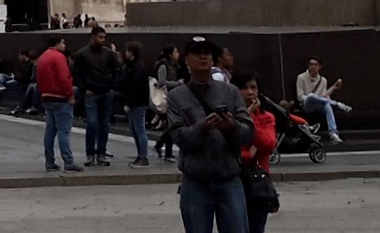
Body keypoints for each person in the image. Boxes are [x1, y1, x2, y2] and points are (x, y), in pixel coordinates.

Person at [165, 36, 253, 233]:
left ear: (213, 60)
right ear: (186, 60)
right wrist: (203, 127)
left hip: (229, 179)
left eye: (207, 54)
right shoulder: (176, 96)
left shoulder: (230, 92)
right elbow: (178, 137)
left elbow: (248, 133)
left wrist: (230, 125)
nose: (203, 58)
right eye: (197, 54)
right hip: (195, 183)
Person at [233, 73, 279, 233]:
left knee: (256, 227)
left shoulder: (267, 117)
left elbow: (268, 143)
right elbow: (236, 150)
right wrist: (250, 152)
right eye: (244, 88)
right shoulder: (229, 118)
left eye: (253, 88)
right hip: (233, 180)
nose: (250, 92)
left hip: (257, 183)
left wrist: (250, 117)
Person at [73, 25, 121, 167]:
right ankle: (90, 153)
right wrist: (84, 89)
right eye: (100, 37)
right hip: (91, 93)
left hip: (106, 92)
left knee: (104, 124)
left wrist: (112, 86)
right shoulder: (82, 54)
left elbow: (116, 70)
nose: (103, 40)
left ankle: (101, 152)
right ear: (93, 37)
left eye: (104, 38)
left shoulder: (108, 54)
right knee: (92, 123)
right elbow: (76, 73)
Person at [37, 35, 78, 172]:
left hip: (47, 97)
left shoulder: (42, 57)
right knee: (63, 131)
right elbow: (64, 77)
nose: (64, 45)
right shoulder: (59, 57)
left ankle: (50, 161)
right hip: (60, 98)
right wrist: (70, 95)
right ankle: (68, 161)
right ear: (57, 44)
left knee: (50, 130)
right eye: (63, 43)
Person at [118, 42, 153, 167]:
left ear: (131, 53)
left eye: (127, 51)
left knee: (139, 129)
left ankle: (143, 156)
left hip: (138, 103)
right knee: (135, 129)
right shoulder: (133, 66)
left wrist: (129, 104)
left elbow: (136, 87)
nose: (125, 53)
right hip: (137, 102)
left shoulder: (137, 67)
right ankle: (140, 155)